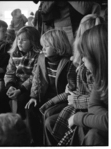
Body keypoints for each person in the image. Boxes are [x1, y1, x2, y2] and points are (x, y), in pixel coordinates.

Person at [39, 14, 104, 145]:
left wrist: (77, 102)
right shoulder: (77, 61)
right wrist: (49, 102)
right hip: (78, 102)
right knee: (47, 112)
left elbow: (94, 101)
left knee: (53, 121)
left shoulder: (98, 69)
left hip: (81, 105)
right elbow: (72, 89)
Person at [25, 29, 72, 145]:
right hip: (44, 96)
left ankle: (47, 144)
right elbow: (36, 78)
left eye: (47, 46)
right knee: (30, 109)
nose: (43, 49)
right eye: (42, 46)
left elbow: (69, 89)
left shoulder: (68, 63)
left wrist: (53, 101)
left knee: (48, 113)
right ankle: (37, 142)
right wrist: (34, 96)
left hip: (61, 100)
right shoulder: (41, 59)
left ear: (58, 46)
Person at [68, 24, 108, 146]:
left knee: (93, 135)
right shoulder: (101, 75)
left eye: (85, 55)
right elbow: (93, 104)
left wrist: (78, 118)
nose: (82, 59)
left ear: (97, 55)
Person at [0, 26, 41, 117]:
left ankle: (20, 121)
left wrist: (20, 90)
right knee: (1, 95)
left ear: (33, 42)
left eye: (24, 40)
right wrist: (10, 86)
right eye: (18, 39)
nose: (20, 42)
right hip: (16, 84)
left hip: (30, 87)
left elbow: (34, 76)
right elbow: (10, 72)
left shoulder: (38, 56)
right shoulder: (14, 54)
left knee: (22, 99)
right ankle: (7, 119)